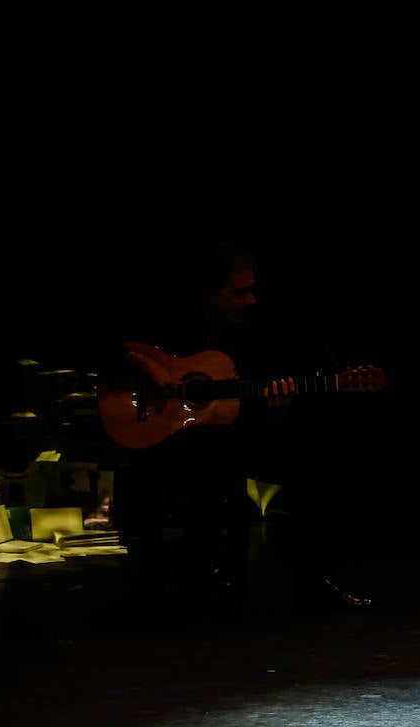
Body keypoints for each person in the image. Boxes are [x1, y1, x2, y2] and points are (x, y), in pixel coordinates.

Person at [105, 240, 375, 618]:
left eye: (252, 290)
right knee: (219, 462)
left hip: (222, 442)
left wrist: (276, 412)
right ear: (209, 293)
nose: (250, 301)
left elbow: (248, 415)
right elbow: (105, 346)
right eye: (239, 292)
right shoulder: (168, 324)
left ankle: (312, 582)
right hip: (168, 443)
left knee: (315, 459)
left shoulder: (249, 338)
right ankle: (192, 574)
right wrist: (149, 367)